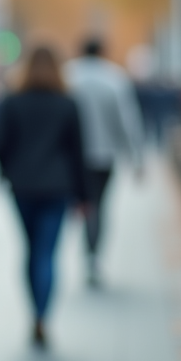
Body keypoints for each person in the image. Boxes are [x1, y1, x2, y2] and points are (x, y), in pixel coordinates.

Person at [0, 46, 86, 348]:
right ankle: (43, 315)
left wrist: (7, 170)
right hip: (58, 187)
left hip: (23, 185)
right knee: (48, 251)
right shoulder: (67, 103)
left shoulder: (13, 102)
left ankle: (35, 311)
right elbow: (77, 152)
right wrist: (84, 195)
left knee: (31, 249)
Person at [63, 38, 145, 287]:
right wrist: (136, 157)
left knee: (73, 205)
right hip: (103, 154)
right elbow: (127, 120)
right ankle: (93, 256)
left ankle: (75, 251)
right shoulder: (114, 78)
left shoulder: (67, 75)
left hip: (68, 156)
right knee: (98, 205)